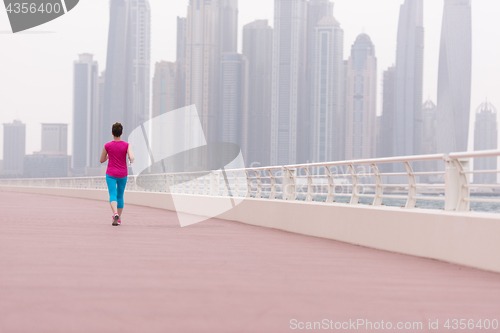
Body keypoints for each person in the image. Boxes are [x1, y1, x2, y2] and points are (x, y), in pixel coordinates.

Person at [100, 123, 135, 226]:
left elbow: (101, 160)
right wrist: (130, 158)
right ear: (121, 133)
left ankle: (114, 213)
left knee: (112, 194)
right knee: (120, 195)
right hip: (122, 174)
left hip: (111, 174)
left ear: (112, 133)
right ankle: (118, 218)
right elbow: (132, 156)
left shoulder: (107, 145)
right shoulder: (126, 145)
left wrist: (108, 157)